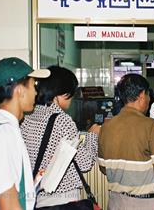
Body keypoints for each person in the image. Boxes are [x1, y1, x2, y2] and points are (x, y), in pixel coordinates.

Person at [0, 57, 50, 210]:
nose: (36, 92)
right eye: (33, 85)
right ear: (20, 90)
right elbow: (8, 204)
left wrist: (31, 184)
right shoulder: (3, 134)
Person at [20, 66, 99, 208]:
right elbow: (85, 163)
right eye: (71, 94)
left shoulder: (28, 116)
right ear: (61, 94)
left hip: (35, 196)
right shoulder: (62, 120)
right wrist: (93, 136)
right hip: (61, 199)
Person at [98, 74, 154, 210]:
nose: (148, 99)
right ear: (142, 96)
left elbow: (104, 168)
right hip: (145, 204)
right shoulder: (151, 126)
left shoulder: (106, 127)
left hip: (116, 202)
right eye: (148, 95)